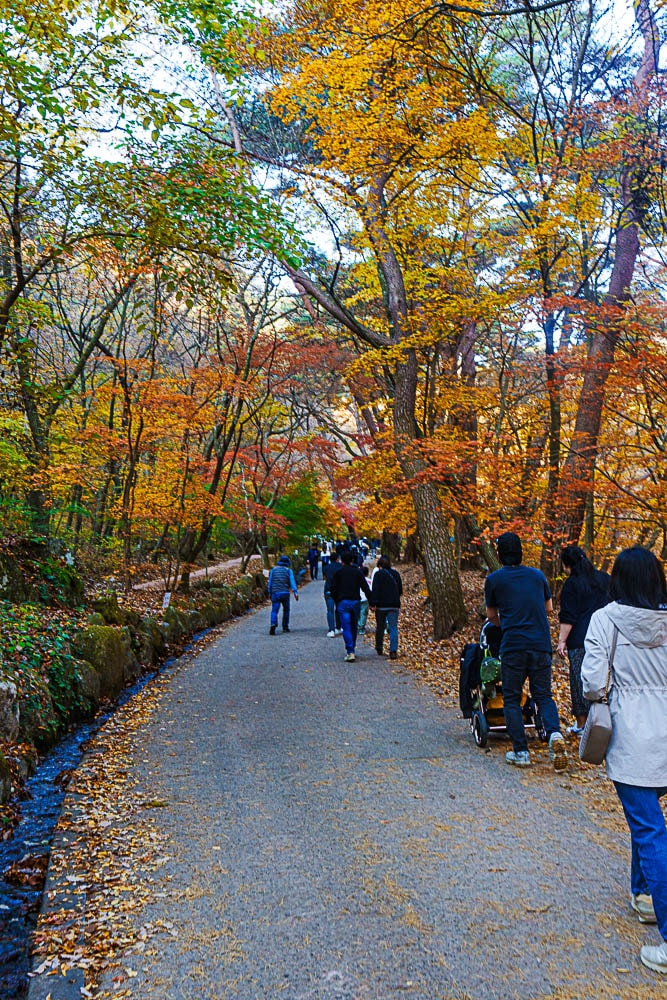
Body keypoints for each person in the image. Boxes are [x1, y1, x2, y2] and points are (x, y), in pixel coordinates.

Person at [581, 546, 667, 975]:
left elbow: (594, 683)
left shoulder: (605, 619)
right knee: (646, 822)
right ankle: (644, 895)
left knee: (650, 830)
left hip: (634, 738)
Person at [484, 531, 566, 770]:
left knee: (511, 698)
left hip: (514, 646)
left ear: (499, 554)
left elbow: (491, 615)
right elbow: (549, 609)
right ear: (520, 552)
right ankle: (554, 734)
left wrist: (506, 622)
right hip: (540, 644)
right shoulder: (537, 575)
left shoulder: (495, 580)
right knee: (543, 695)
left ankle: (521, 751)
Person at [557, 545, 610, 735]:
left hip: (580, 640)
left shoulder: (572, 584)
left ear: (568, 565)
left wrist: (562, 640)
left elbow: (568, 616)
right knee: (605, 680)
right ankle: (605, 722)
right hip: (606, 639)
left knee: (580, 681)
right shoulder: (605, 579)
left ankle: (582, 724)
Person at [329, 550, 371, 662]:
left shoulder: (338, 573)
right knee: (354, 627)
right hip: (355, 602)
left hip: (343, 602)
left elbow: (332, 588)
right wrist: (372, 601)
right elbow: (365, 587)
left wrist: (336, 599)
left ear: (342, 561)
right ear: (352, 560)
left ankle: (350, 651)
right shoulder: (357, 572)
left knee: (346, 627)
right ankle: (352, 648)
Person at [371, 556, 402, 659]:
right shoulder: (396, 574)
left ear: (380, 565)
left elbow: (375, 590)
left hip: (381, 605)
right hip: (394, 604)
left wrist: (373, 603)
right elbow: (400, 590)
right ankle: (393, 650)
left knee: (380, 626)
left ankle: (379, 647)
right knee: (393, 627)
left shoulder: (378, 575)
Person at [267, 555, 299, 634]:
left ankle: (273, 623)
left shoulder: (273, 570)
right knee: (286, 610)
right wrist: (295, 592)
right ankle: (285, 626)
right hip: (285, 593)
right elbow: (292, 582)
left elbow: (270, 582)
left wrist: (269, 592)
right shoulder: (288, 570)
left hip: (275, 592)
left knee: (274, 610)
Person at [323, 551, 343, 637]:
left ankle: (331, 630)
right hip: (339, 590)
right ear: (338, 559)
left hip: (328, 589)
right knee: (338, 609)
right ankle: (338, 627)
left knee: (330, 610)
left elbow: (325, 577)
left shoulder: (326, 568)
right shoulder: (341, 567)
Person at [358, 565, 371, 635]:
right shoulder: (369, 581)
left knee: (357, 613)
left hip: (357, 598)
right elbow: (370, 590)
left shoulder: (357, 580)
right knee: (363, 614)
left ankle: (358, 624)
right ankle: (361, 628)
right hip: (365, 599)